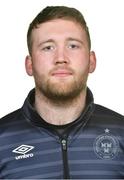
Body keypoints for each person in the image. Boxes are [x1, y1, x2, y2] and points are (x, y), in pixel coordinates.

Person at [0, 6, 124, 179]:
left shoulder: (121, 131)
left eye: (73, 45)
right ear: (29, 64)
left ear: (91, 61)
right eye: (48, 47)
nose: (60, 58)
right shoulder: (2, 139)